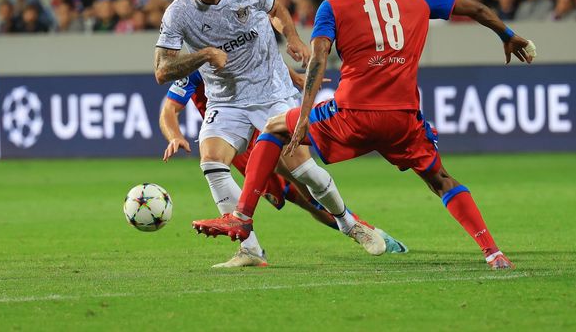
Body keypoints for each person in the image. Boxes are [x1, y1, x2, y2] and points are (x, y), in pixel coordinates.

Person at [192, 0, 538, 270]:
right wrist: (507, 35)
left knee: (273, 128)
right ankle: (493, 252)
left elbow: (318, 59)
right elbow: (474, 7)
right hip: (403, 118)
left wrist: (304, 115)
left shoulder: (334, 6)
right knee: (442, 180)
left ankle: (241, 218)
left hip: (352, 115)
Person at [154, 0, 389, 267]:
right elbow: (162, 69)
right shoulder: (179, 13)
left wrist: (292, 37)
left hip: (272, 93)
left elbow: (276, 8)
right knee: (211, 161)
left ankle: (349, 224)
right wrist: (204, 55)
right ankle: (249, 249)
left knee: (305, 172)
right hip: (228, 99)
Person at [159, 69, 408, 268]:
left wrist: (295, 77)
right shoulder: (195, 64)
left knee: (307, 190)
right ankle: (249, 249)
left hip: (264, 123)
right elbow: (169, 109)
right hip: (235, 142)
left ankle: (363, 229)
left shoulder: (235, 34)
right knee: (296, 197)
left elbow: (263, 55)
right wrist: (174, 136)